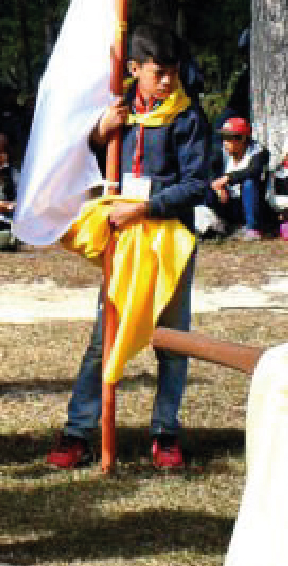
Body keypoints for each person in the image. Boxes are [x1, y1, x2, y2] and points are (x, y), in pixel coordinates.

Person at [46, 24, 212, 472]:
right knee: (105, 337)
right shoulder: (113, 111)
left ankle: (165, 432)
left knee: (172, 339)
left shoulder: (188, 118)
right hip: (124, 242)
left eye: (173, 73)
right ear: (134, 69)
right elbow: (72, 158)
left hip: (170, 240)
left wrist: (144, 208)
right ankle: (79, 431)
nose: (167, 81)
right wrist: (99, 134)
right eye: (159, 72)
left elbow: (197, 185)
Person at [202, 117, 270, 239]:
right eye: (224, 137)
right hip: (227, 201)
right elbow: (209, 172)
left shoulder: (258, 151)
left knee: (249, 182)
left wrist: (228, 178)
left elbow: (254, 170)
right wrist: (218, 186)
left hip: (251, 203)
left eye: (229, 138)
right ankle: (218, 224)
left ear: (243, 138)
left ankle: (252, 229)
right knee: (204, 186)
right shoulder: (220, 151)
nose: (225, 142)